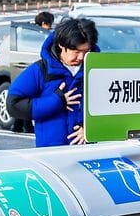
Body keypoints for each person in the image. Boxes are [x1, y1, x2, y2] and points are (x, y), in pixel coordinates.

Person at [8, 18, 99, 147]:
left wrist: (90, 130)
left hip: (87, 152)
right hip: (51, 153)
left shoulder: (97, 70)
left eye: (86, 51)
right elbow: (13, 105)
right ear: (61, 45)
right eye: (76, 52)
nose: (81, 57)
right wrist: (57, 101)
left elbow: (110, 108)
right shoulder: (41, 70)